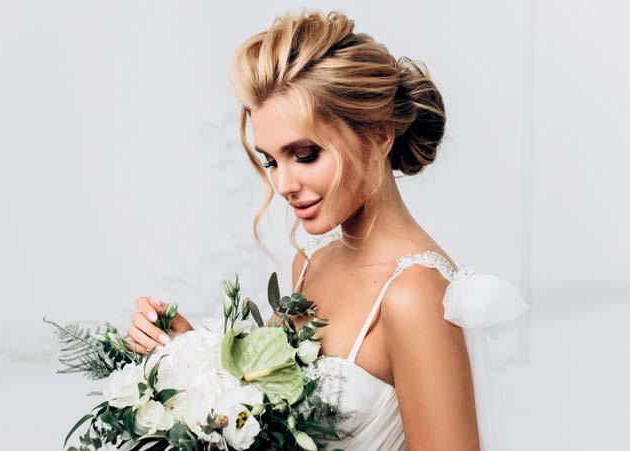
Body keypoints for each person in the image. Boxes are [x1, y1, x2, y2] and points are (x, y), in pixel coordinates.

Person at [125, 9, 529, 451]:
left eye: (305, 155)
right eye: (271, 160)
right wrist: (192, 358)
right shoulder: (309, 265)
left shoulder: (414, 296)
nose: (283, 184)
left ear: (379, 134)